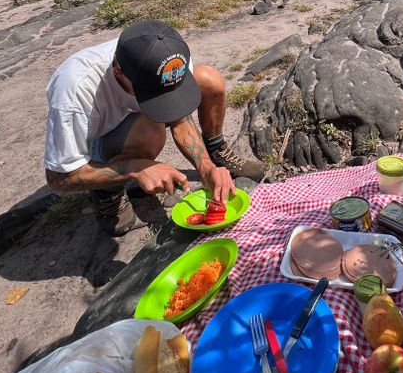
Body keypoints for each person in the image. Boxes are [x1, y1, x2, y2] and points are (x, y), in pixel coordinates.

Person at [43, 19, 265, 235]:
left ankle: (217, 152)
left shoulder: (169, 55)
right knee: (151, 133)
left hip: (130, 119)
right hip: (97, 143)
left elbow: (179, 119)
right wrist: (136, 168)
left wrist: (205, 166)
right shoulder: (75, 91)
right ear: (118, 73)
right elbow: (59, 178)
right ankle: (108, 193)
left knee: (209, 79)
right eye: (150, 94)